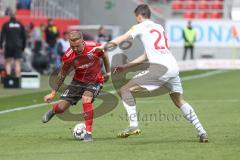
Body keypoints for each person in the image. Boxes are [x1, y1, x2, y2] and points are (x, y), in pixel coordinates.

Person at [94, 4, 208, 142]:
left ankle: (133, 125)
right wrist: (126, 66)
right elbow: (147, 55)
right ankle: (201, 131)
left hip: (160, 69)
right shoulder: (159, 27)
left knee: (125, 90)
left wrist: (102, 46)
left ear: (139, 16)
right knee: (179, 101)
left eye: (136, 18)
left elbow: (121, 39)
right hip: (173, 66)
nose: (136, 20)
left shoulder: (140, 26)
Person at [41, 30, 110, 142]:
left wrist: (108, 73)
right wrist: (53, 92)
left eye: (77, 46)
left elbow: (105, 56)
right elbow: (62, 74)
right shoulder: (68, 56)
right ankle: (53, 111)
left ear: (82, 42)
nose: (75, 49)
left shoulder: (94, 47)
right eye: (72, 46)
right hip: (77, 82)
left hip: (95, 81)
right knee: (61, 108)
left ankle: (88, 133)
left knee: (86, 99)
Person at [0, 14, 26, 78]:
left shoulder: (6, 24)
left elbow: (2, 36)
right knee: (17, 62)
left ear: (10, 17)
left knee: (8, 62)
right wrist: (23, 47)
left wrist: (0, 46)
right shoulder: (20, 24)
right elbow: (24, 37)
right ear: (15, 17)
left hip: (9, 46)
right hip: (18, 46)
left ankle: (8, 78)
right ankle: (17, 78)